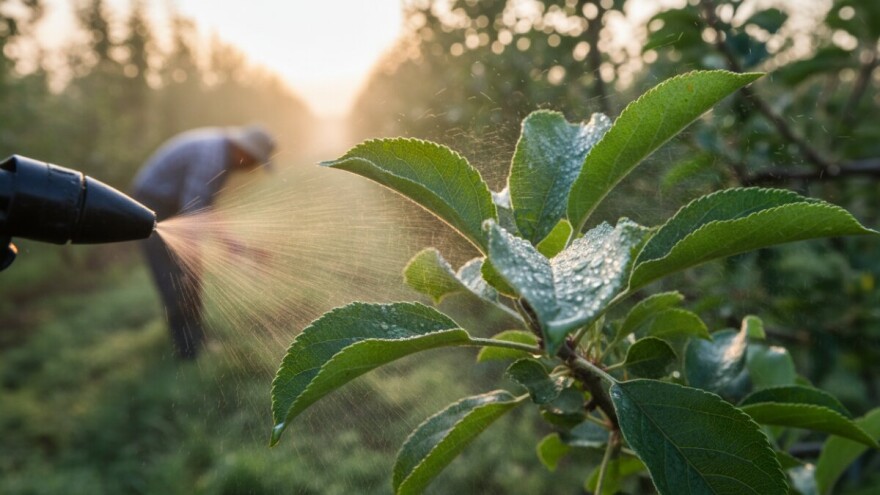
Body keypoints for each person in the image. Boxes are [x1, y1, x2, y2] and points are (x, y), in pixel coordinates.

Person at [132, 125, 276, 359]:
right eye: (255, 161)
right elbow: (194, 209)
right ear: (245, 152)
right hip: (151, 205)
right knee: (175, 277)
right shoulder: (213, 157)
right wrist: (193, 254)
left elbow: (206, 207)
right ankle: (188, 350)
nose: (253, 168)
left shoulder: (221, 153)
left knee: (189, 274)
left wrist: (234, 245)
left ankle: (196, 339)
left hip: (170, 205)